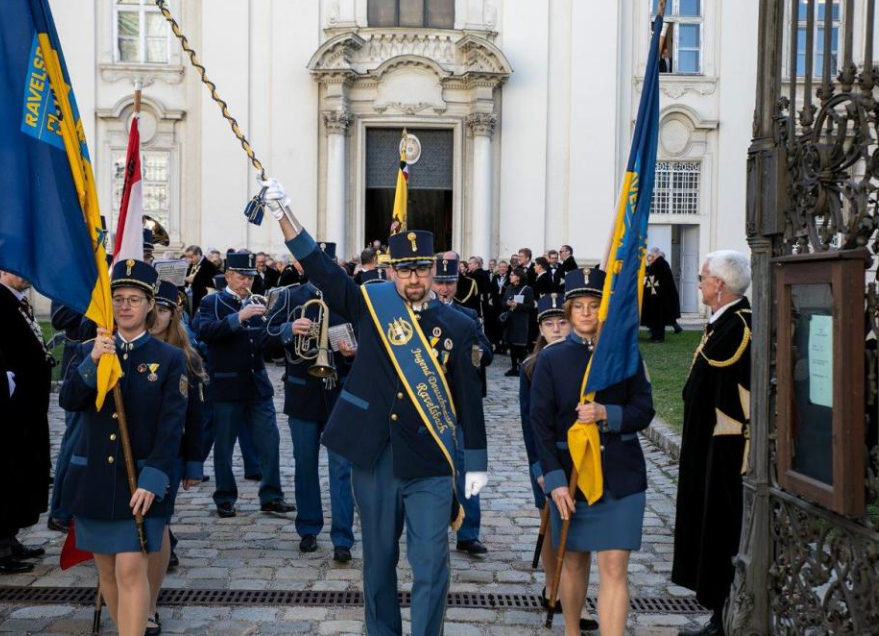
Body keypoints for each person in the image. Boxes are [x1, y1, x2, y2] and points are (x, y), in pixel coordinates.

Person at [262, 176, 488, 636]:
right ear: (391, 272)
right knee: (378, 565)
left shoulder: (459, 326)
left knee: (431, 566)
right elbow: (323, 270)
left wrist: (476, 463)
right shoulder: (371, 304)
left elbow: (469, 398)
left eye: (421, 269)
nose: (413, 279)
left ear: (434, 271)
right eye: (404, 270)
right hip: (376, 455)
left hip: (428, 461)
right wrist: (283, 214)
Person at [59, 260, 186, 636]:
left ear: (150, 305)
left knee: (131, 567)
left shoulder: (169, 359)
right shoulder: (88, 351)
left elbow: (171, 427)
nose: (126, 306)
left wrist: (154, 478)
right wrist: (94, 361)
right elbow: (69, 400)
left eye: (134, 299)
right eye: (118, 299)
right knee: (108, 573)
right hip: (94, 479)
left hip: (141, 482)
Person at [530, 267, 654, 636]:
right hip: (571, 477)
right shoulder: (550, 360)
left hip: (620, 475)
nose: (586, 313)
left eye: (593, 305)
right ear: (568, 312)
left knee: (615, 568)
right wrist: (555, 482)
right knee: (573, 563)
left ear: (605, 310)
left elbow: (644, 411)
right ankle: (572, 630)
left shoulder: (625, 355)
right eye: (578, 306)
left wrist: (606, 414)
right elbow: (540, 424)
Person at [672, 251, 752, 636]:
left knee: (721, 528)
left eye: (703, 277)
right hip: (708, 444)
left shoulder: (737, 328)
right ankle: (718, 613)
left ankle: (723, 618)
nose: (700, 282)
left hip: (724, 450)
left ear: (718, 285)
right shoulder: (723, 324)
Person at [265, 242, 357, 562]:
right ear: (304, 266)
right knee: (305, 465)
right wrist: (289, 328)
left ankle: (343, 537)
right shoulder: (290, 297)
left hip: (340, 393)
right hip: (303, 393)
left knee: (341, 469)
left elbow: (369, 340)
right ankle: (308, 528)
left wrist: (353, 351)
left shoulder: (349, 294)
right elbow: (264, 335)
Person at [520, 293, 599, 632]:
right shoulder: (534, 365)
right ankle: (553, 589)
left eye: (561, 323)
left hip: (581, 456)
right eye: (549, 324)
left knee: (575, 534)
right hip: (548, 458)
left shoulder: (583, 356)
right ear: (540, 328)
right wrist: (539, 468)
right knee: (553, 529)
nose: (556, 329)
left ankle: (569, 600)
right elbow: (530, 422)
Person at [195, 252, 294, 518]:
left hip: (257, 385)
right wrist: (239, 317)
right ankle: (225, 497)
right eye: (241, 277)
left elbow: (263, 341)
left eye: (250, 277)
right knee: (224, 446)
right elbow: (206, 333)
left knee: (270, 442)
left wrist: (288, 330)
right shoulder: (212, 302)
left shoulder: (257, 302)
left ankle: (272, 496)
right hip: (226, 386)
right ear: (228, 276)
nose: (246, 282)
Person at [143, 281, 205, 632]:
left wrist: (193, 463)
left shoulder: (185, 356)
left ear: (173, 314)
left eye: (163, 310)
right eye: (153, 309)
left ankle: (149, 602)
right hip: (128, 452)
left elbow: (197, 416)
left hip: (170, 455)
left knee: (158, 525)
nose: (156, 317)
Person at [433, 255, 493, 555]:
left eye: (450, 283)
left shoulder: (468, 314)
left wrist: (473, 354)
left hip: (459, 405)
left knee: (466, 468)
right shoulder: (418, 314)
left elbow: (487, 350)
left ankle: (468, 533)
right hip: (427, 403)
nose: (445, 289)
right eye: (440, 282)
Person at [0, 271, 54, 574]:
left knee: (22, 474)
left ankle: (11, 537)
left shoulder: (16, 301)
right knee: (8, 476)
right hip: (10, 409)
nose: (24, 273)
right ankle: (2, 547)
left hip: (27, 409)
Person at [641, 247, 683, 342]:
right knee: (654, 318)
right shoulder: (656, 264)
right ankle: (654, 336)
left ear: (655, 255)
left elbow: (662, 282)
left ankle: (659, 338)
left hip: (660, 297)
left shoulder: (661, 264)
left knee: (659, 319)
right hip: (655, 296)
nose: (650, 257)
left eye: (651, 255)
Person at [502, 267, 535, 376]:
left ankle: (522, 367)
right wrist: (507, 303)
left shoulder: (527, 289)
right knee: (511, 344)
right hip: (510, 319)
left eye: (512, 275)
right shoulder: (509, 288)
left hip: (521, 321)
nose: (510, 277)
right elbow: (502, 302)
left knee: (520, 345)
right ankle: (513, 367)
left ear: (518, 277)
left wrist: (518, 305)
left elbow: (530, 306)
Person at [184, 245, 218, 313]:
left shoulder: (209, 265)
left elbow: (208, 282)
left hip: (203, 297)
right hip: (190, 296)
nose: (189, 260)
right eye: (188, 257)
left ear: (198, 254)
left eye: (191, 257)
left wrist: (192, 279)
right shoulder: (192, 264)